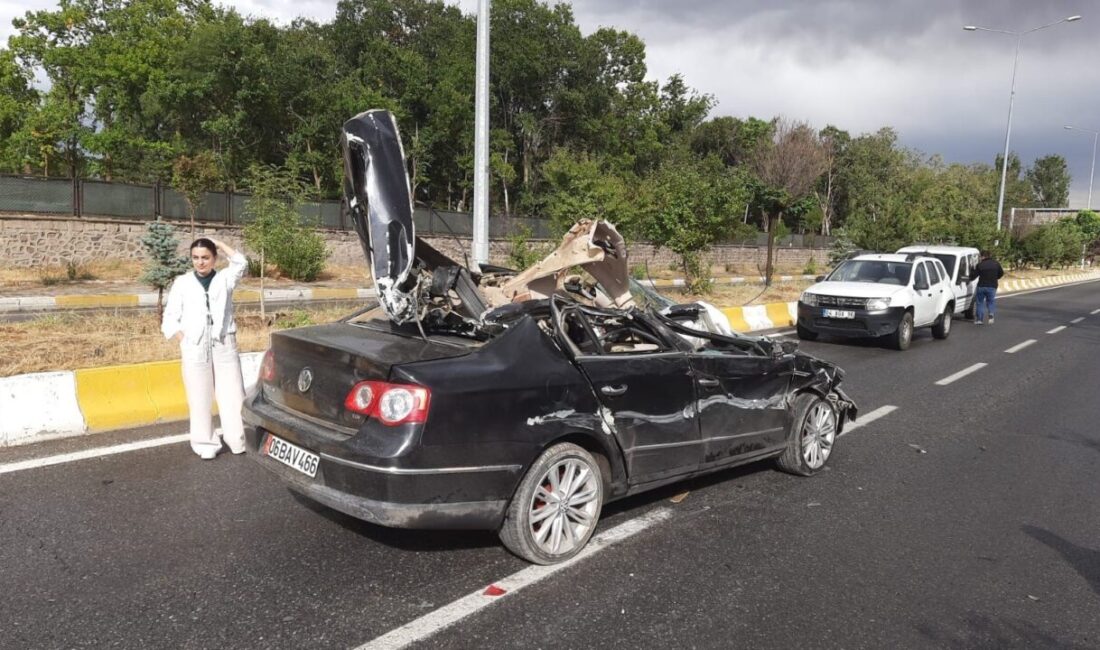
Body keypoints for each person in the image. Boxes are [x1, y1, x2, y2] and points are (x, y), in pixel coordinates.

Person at [161, 237, 248, 459]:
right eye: (196, 258)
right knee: (199, 397)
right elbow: (170, 317)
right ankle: (205, 444)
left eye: (206, 257)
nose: (200, 262)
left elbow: (241, 262)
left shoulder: (225, 279)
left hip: (223, 342)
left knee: (232, 393)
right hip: (194, 345)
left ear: (214, 259)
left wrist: (218, 242)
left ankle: (237, 440)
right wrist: (182, 337)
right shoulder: (182, 282)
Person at [973, 250, 1004, 325]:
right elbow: (1001, 273)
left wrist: (971, 271)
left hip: (981, 286)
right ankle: (991, 314)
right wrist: (995, 278)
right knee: (990, 301)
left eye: (980, 256)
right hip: (992, 286)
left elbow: (974, 276)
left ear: (983, 256)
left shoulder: (980, 265)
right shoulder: (996, 264)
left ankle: (979, 320)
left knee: (980, 303)